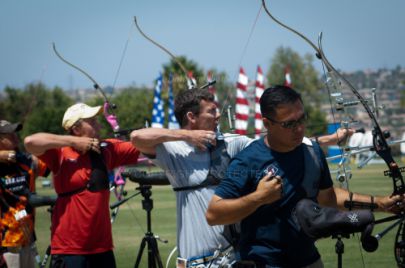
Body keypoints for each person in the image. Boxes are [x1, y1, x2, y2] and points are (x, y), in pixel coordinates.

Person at [130, 88, 353, 267]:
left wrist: (330, 139)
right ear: (191, 117)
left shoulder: (231, 143)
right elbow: (137, 137)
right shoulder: (174, 151)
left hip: (232, 259)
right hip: (193, 261)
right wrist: (187, 135)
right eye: (211, 111)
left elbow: (279, 143)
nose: (218, 115)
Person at [205, 85, 403, 268]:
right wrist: (259, 198)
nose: (299, 128)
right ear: (267, 123)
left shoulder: (313, 152)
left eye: (302, 119)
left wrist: (381, 204)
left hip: (308, 259)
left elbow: (329, 198)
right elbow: (214, 214)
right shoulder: (247, 161)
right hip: (263, 261)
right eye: (289, 124)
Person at [24, 103, 140, 268]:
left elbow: (142, 148)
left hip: (102, 249)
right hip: (69, 250)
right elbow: (30, 141)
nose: (99, 124)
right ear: (76, 129)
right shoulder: (61, 152)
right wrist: (74, 142)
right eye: (92, 122)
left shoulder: (107, 149)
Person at [0, 120, 50, 268]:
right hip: (6, 247)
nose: (16, 137)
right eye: (10, 134)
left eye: (15, 132)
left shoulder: (26, 160)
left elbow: (54, 164)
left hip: (28, 241)